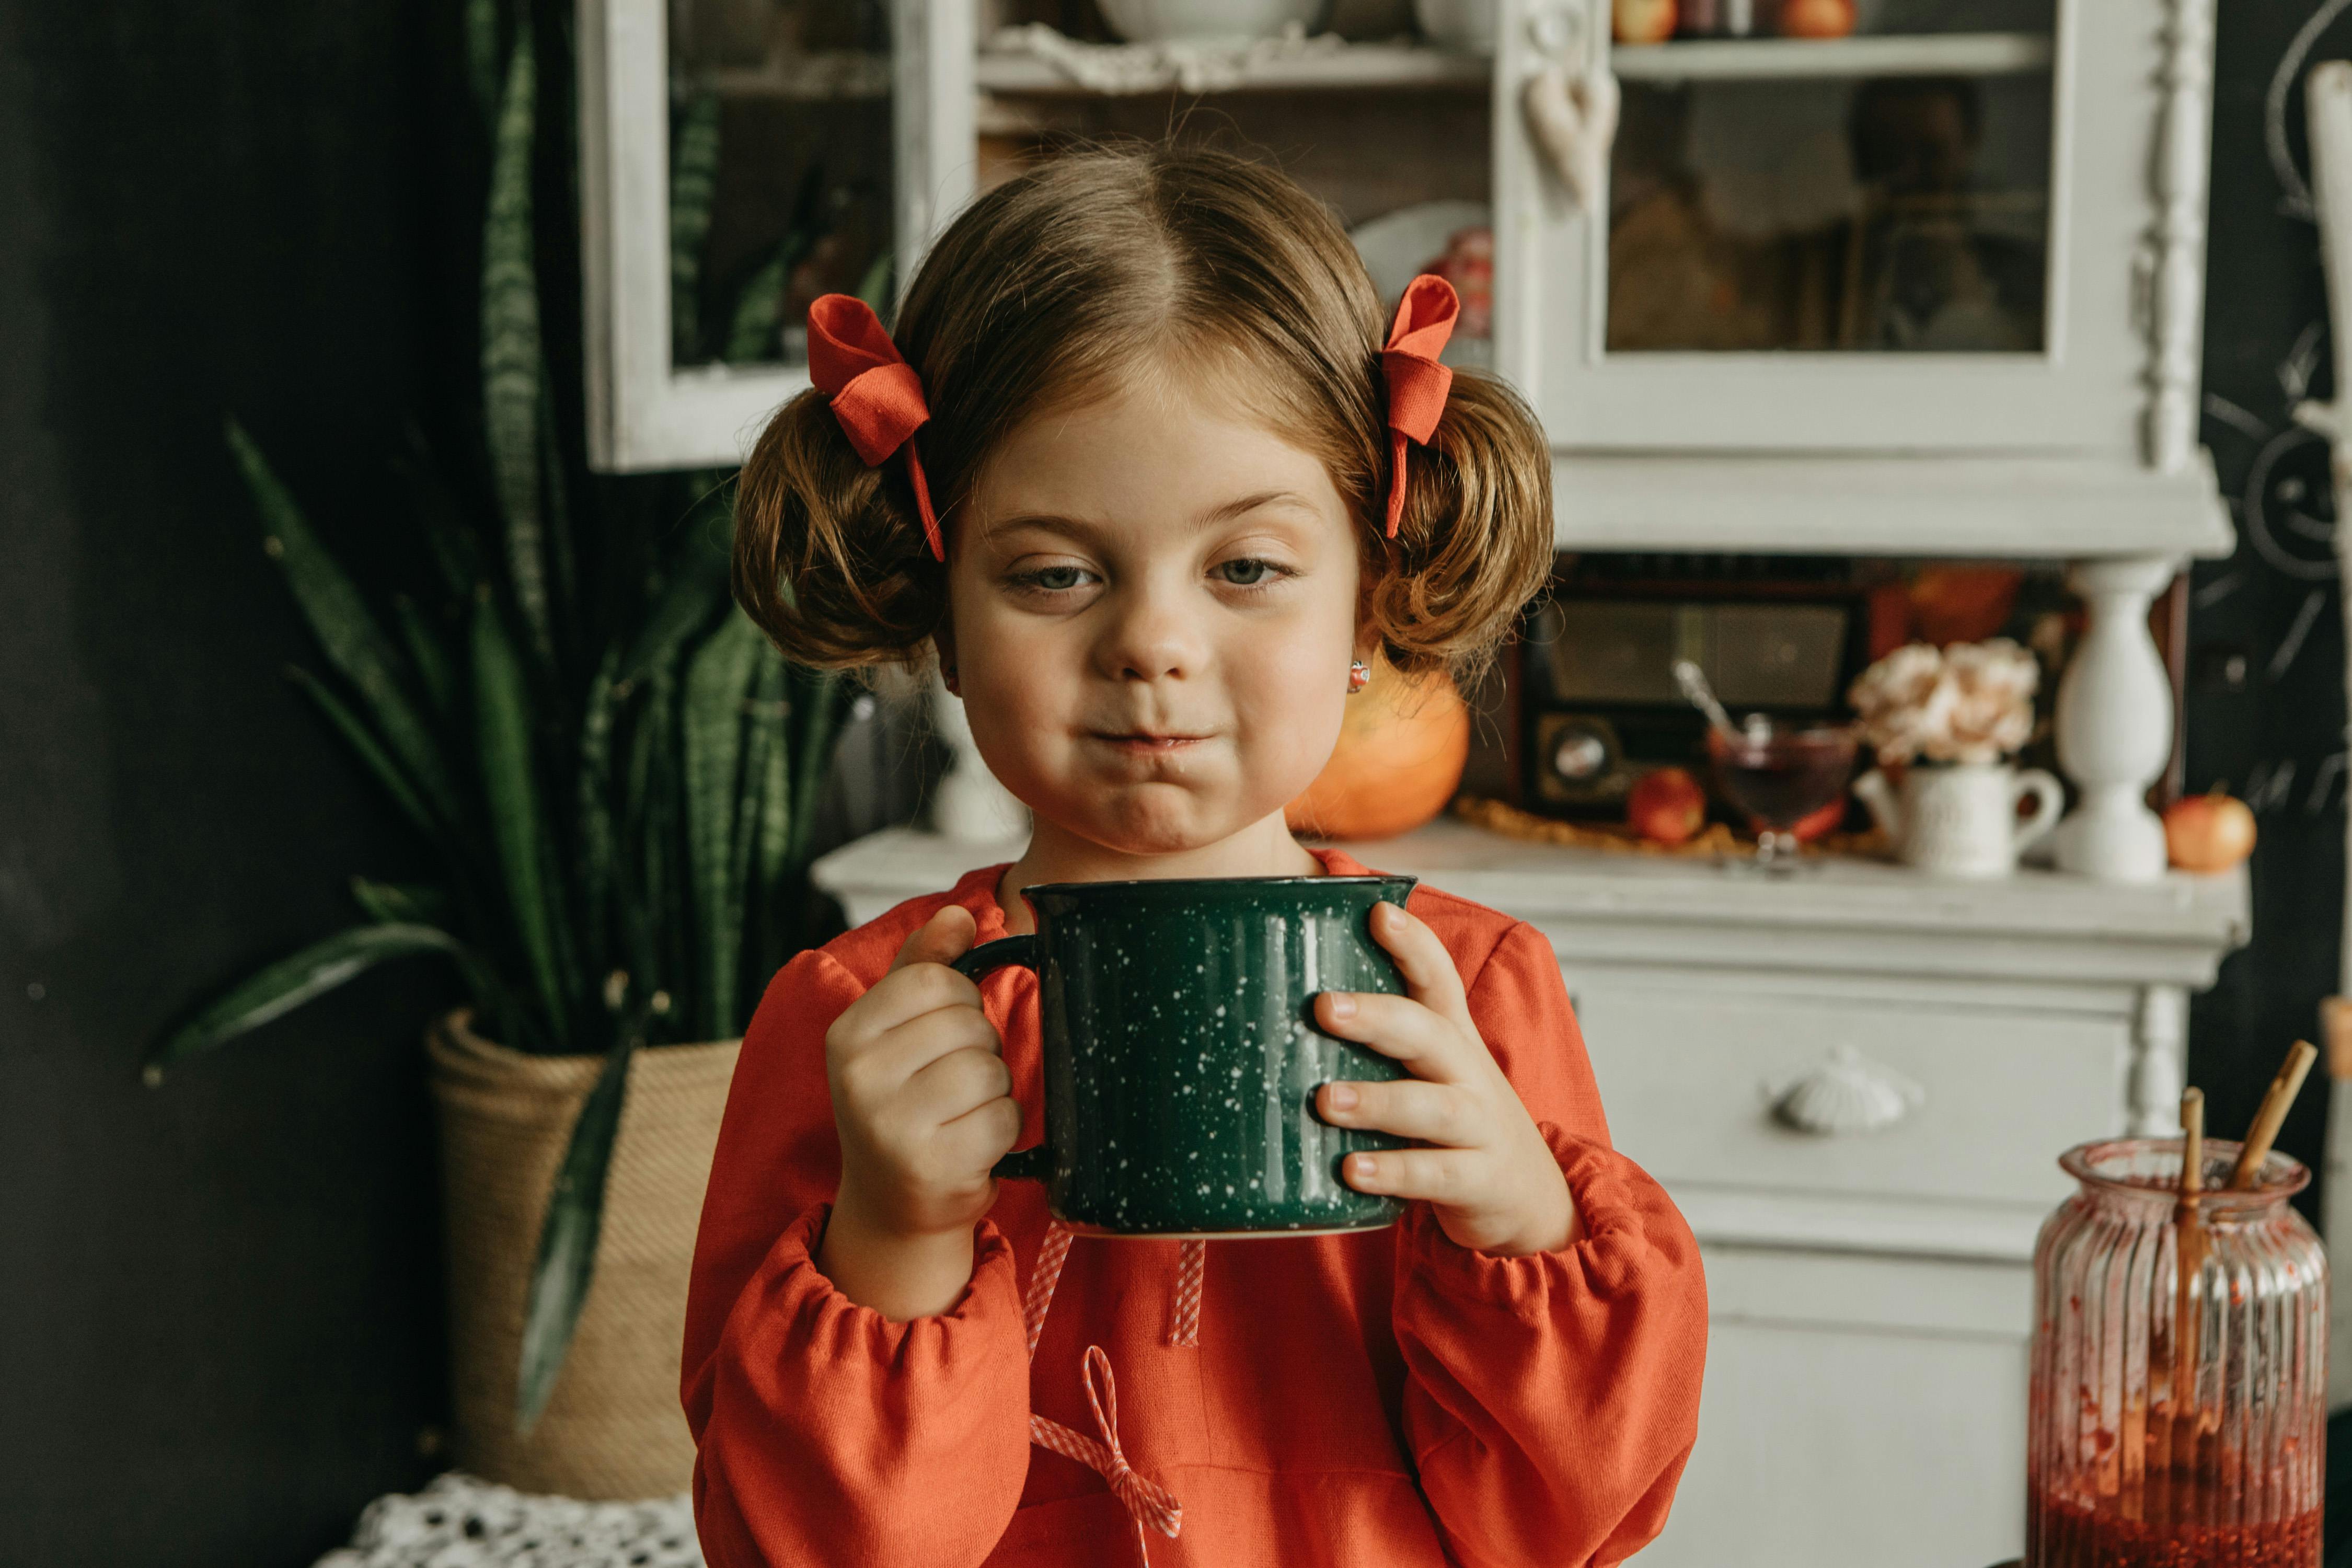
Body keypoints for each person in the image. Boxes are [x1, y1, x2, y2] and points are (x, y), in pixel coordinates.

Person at [682, 143, 1708, 1568]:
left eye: (1245, 569)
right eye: (1052, 573)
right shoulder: (855, 1019)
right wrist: (893, 1240)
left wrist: (1525, 1229)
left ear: (1366, 611)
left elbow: (1569, 1521)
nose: (1153, 644)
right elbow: (795, 1547)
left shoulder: (1465, 996)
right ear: (940, 624)